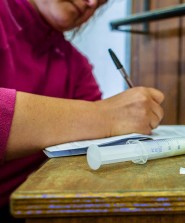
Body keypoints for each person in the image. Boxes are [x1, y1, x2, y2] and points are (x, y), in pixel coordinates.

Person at [0, 0, 164, 221]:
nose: (91, 3)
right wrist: (106, 117)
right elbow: (103, 119)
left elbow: (98, 140)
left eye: (102, 2)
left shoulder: (76, 66)